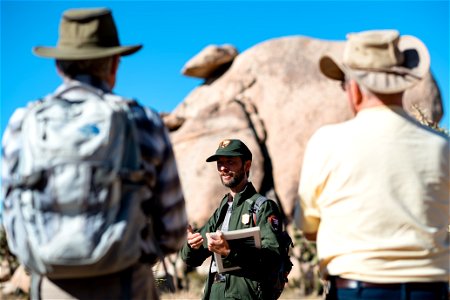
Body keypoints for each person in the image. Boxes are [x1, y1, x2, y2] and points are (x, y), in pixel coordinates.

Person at [1, 7, 187, 299]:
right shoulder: (144, 121)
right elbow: (173, 232)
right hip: (129, 285)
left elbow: (11, 216)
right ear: (114, 63)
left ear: (59, 66)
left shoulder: (21, 124)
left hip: (51, 288)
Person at [297, 29, 449, 300]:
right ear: (404, 82)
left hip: (356, 290)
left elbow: (308, 226)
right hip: (430, 291)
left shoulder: (326, 142)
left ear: (353, 89)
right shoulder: (441, 146)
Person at [180, 139, 282, 299]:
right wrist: (191, 245)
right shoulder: (222, 209)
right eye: (219, 163)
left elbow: (273, 259)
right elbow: (192, 259)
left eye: (230, 162)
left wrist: (229, 251)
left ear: (247, 166)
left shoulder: (263, 207)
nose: (223, 168)